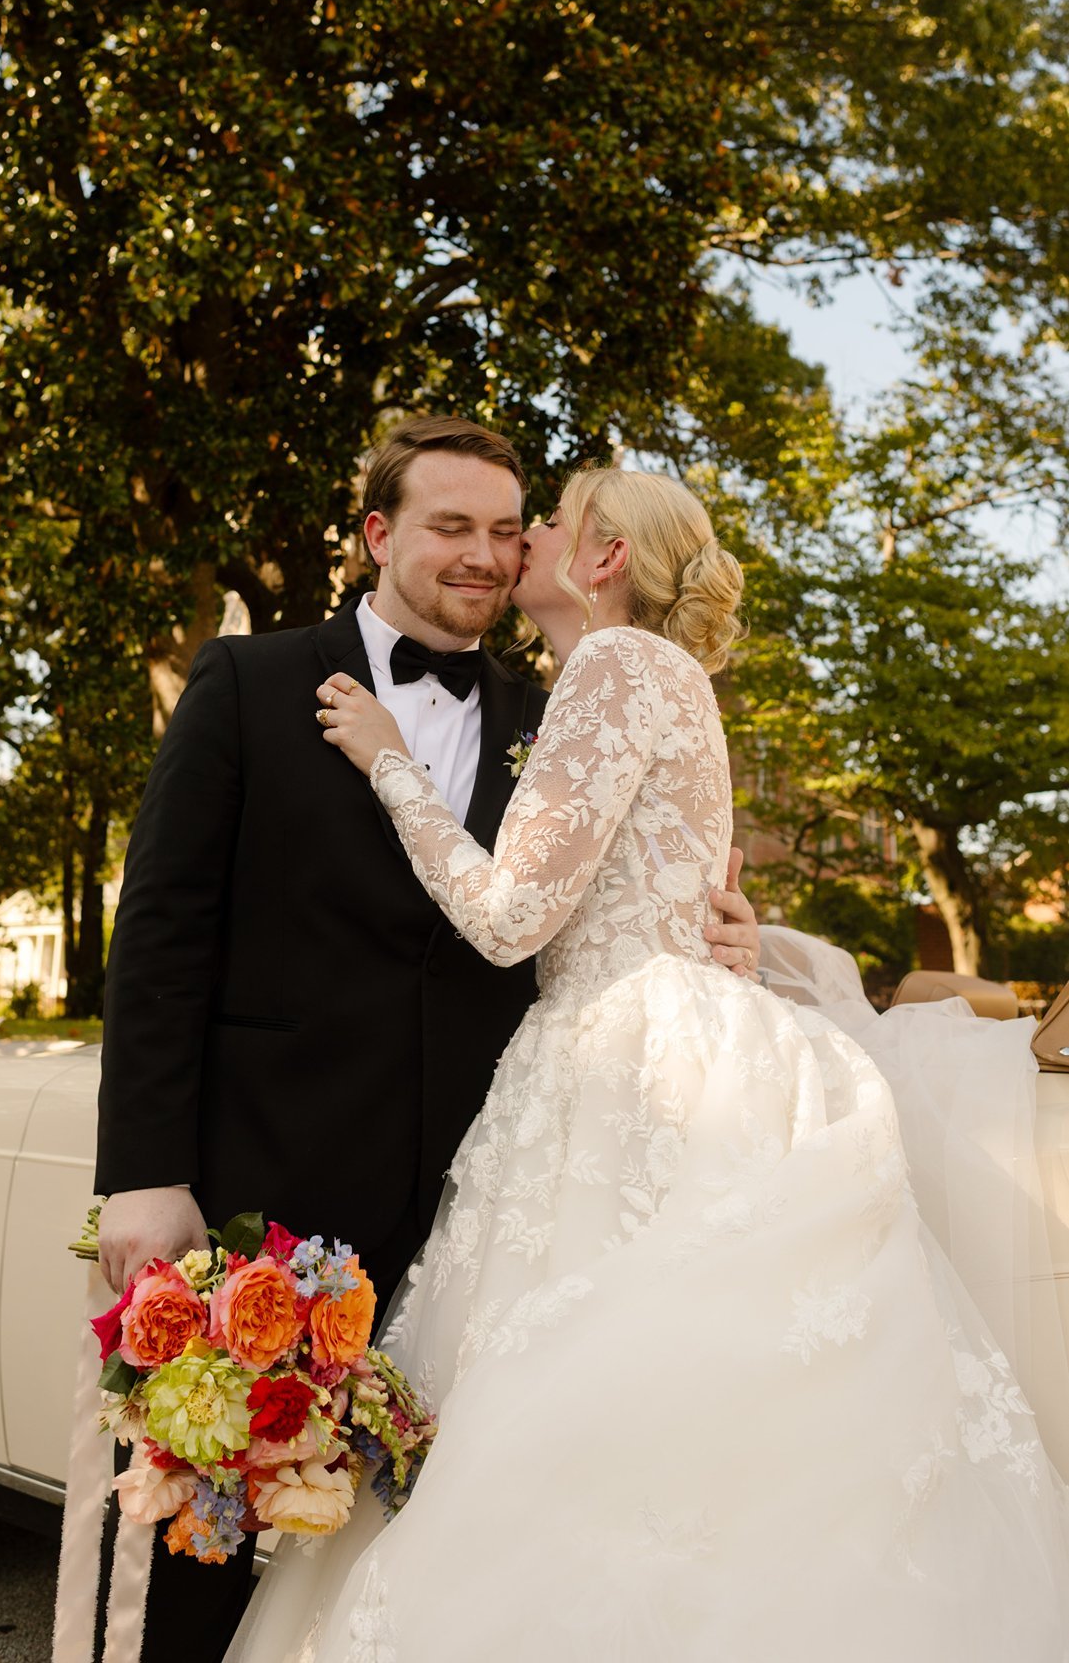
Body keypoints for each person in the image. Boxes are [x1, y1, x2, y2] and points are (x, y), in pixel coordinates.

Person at [227, 464, 1069, 1663]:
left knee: (591, 1413)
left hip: (624, 1066)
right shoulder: (665, 681)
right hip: (680, 1038)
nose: (522, 541)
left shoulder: (615, 668)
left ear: (605, 556)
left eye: (548, 522)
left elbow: (513, 917)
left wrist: (385, 761)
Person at [88, 420, 760, 1663]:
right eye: (451, 527)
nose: (488, 555)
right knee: (189, 1547)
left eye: (509, 532)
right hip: (264, 1190)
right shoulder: (248, 682)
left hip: (488, 1212)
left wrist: (718, 933)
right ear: (378, 535)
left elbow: (594, 889)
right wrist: (142, 1167)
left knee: (426, 1565)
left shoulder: (560, 706)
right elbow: (163, 936)